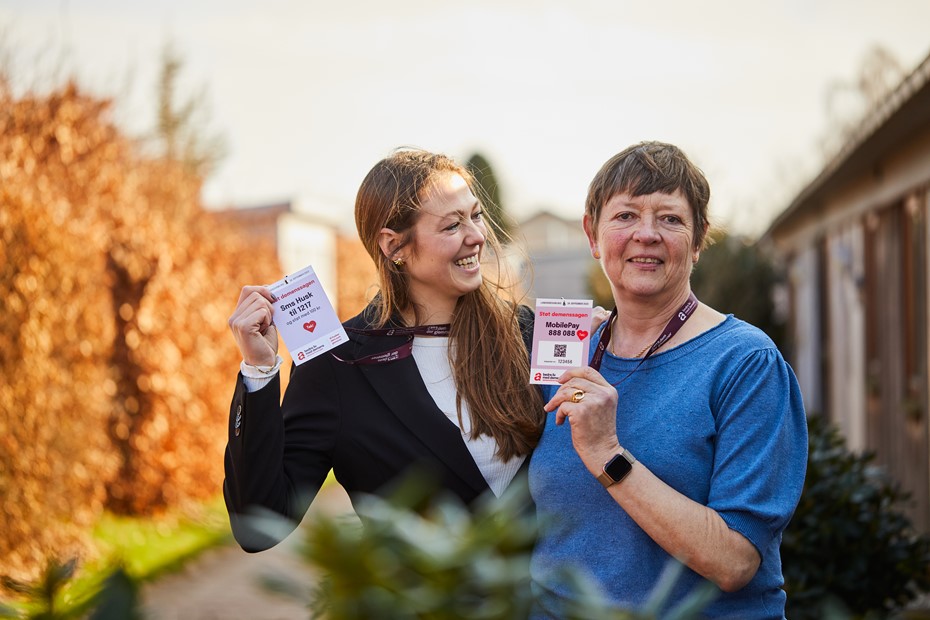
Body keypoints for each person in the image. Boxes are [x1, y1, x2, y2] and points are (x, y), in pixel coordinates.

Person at [528, 142, 808, 619]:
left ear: (698, 241)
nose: (646, 234)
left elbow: (735, 560)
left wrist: (607, 455)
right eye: (626, 216)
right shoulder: (565, 351)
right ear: (592, 235)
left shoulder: (746, 363)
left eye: (671, 219)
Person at [224, 148, 545, 552]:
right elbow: (260, 525)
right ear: (394, 246)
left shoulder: (529, 333)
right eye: (452, 226)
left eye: (476, 215)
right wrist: (259, 371)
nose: (477, 236)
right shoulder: (337, 364)